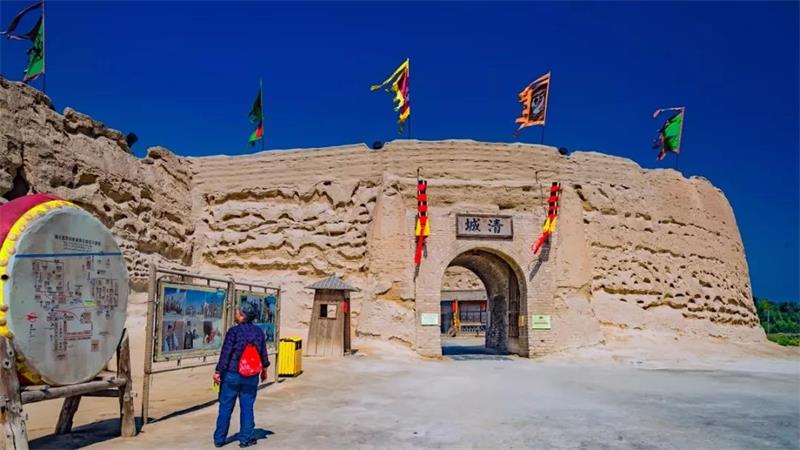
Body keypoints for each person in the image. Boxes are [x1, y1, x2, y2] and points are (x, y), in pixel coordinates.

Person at [213, 302, 269, 448]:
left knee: (225, 407)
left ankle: (219, 439)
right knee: (247, 407)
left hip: (232, 374)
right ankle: (245, 439)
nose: (235, 313)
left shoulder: (234, 332)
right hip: (251, 375)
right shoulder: (259, 332)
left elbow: (225, 354)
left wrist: (218, 371)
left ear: (242, 316)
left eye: (237, 312)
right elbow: (263, 354)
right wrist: (264, 370)